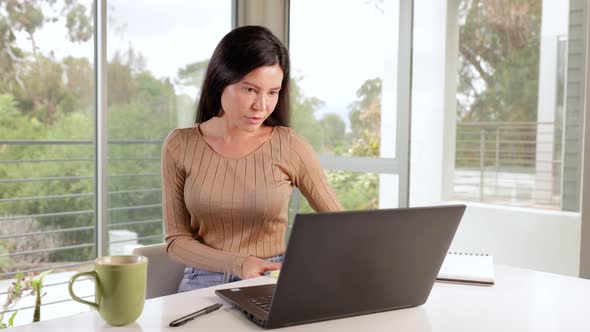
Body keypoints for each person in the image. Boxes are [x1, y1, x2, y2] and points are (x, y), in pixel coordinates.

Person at [161, 25, 342, 293]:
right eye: (250, 90)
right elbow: (175, 241)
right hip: (202, 281)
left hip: (271, 281)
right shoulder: (180, 145)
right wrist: (238, 263)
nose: (262, 106)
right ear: (221, 81)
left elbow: (340, 223)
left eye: (272, 92)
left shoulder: (290, 145)